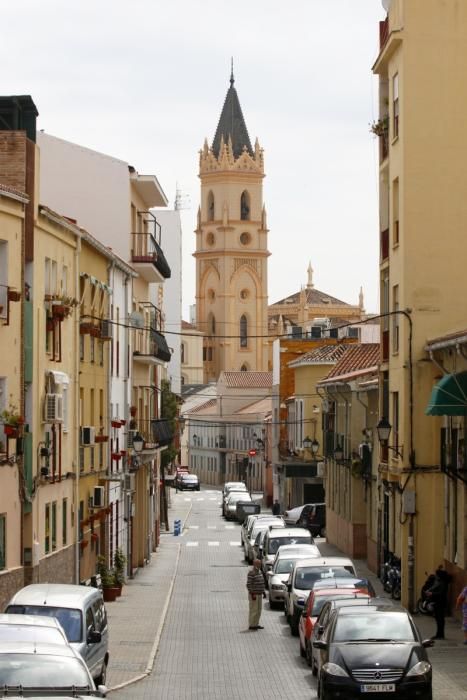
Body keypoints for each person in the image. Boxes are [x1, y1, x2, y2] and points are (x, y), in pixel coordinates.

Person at [427, 566, 451, 640]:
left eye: (436, 574)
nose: (436, 575)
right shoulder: (440, 582)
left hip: (440, 602)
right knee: (438, 619)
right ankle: (439, 634)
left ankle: (440, 635)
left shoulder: (443, 583)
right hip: (438, 602)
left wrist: (432, 594)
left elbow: (441, 593)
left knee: (440, 619)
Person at [246, 558, 266, 630]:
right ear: (255, 564)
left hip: (259, 594)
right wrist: (252, 593)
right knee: (253, 609)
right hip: (254, 594)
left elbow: (262, 582)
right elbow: (248, 584)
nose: (260, 565)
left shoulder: (259, 572)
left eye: (260, 564)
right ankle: (252, 625)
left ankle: (256, 623)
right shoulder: (251, 572)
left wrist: (263, 591)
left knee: (259, 610)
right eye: (258, 564)